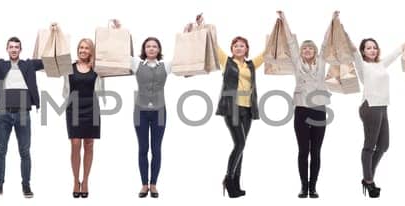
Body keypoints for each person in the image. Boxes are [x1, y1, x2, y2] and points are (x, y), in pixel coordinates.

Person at [185, 12, 282, 198]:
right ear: (232, 49)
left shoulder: (252, 65)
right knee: (240, 143)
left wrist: (278, 25)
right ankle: (229, 180)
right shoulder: (226, 62)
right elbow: (213, 44)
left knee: (241, 146)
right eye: (236, 46)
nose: (239, 48)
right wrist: (203, 24)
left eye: (242, 46)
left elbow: (268, 50)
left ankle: (236, 184)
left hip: (248, 109)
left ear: (246, 49)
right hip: (232, 108)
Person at [0, 32, 45, 199]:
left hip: (23, 113)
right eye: (11, 47)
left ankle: (26, 185)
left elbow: (50, 60)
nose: (14, 50)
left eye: (16, 47)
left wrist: (54, 31)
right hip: (3, 112)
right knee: (0, 151)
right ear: (7, 49)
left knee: (25, 151)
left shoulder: (29, 65)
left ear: (21, 49)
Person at [353, 37, 401, 198]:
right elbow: (352, 49)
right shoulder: (362, 65)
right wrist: (338, 23)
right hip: (370, 107)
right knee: (370, 146)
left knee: (384, 145)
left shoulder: (380, 64)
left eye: (374, 47)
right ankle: (368, 180)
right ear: (363, 51)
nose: (372, 50)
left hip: (382, 107)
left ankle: (368, 178)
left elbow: (397, 52)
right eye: (368, 48)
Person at [132, 35, 169, 199]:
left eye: (155, 46)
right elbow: (121, 52)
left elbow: (184, 57)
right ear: (144, 50)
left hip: (159, 112)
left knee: (156, 148)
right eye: (148, 46)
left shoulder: (166, 66)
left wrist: (188, 32)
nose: (151, 48)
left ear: (159, 49)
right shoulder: (136, 64)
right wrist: (119, 30)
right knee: (142, 148)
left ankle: (153, 184)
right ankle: (143, 184)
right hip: (140, 111)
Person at [66, 38, 102, 199]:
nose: (83, 50)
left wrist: (116, 29)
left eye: (86, 48)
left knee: (89, 145)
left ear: (91, 51)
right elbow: (51, 62)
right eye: (81, 47)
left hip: (92, 109)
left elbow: (119, 59)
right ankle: (75, 180)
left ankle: (85, 181)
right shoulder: (69, 67)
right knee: (75, 144)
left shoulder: (98, 68)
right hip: (73, 109)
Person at [291, 39, 327, 199]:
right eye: (304, 48)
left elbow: (326, 43)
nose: (307, 50)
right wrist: (283, 19)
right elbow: (291, 44)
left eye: (310, 48)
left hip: (319, 109)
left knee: (316, 151)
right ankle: (303, 186)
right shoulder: (297, 64)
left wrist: (334, 20)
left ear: (315, 51)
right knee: (303, 150)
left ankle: (313, 187)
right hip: (301, 110)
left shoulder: (321, 63)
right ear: (301, 52)